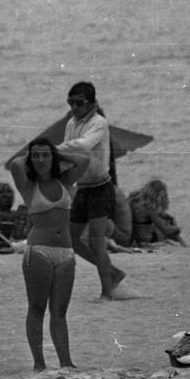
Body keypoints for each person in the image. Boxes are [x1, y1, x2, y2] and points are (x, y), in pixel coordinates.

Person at [6, 137, 89, 372]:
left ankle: (66, 361)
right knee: (37, 308)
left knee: (60, 312)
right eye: (36, 156)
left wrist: (57, 152)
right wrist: (39, 151)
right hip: (39, 251)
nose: (41, 160)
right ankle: (39, 363)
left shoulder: (64, 180)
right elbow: (14, 164)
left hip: (66, 252)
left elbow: (83, 161)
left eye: (45, 155)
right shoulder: (28, 185)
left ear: (53, 158)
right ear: (30, 159)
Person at [56, 81, 125, 300]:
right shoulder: (71, 123)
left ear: (92, 103)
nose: (74, 107)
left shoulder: (99, 122)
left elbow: (84, 145)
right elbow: (70, 154)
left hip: (101, 187)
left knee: (96, 240)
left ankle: (107, 293)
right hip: (83, 187)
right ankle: (112, 273)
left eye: (79, 103)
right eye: (71, 103)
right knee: (73, 240)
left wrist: (54, 149)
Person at [129, 179, 187, 246]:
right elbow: (165, 229)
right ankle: (185, 244)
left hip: (133, 238)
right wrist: (177, 228)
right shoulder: (150, 209)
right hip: (144, 240)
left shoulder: (134, 201)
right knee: (169, 225)